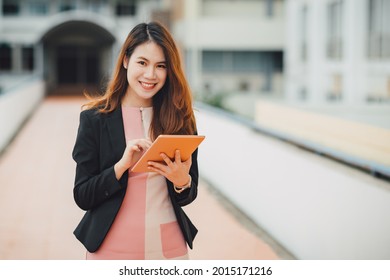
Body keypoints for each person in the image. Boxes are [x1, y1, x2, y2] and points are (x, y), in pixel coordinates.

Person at [72, 22, 199, 260]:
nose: (150, 75)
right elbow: (82, 195)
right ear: (126, 60)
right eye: (142, 62)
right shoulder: (94, 120)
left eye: (160, 66)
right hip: (110, 248)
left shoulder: (181, 119)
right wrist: (120, 167)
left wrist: (183, 181)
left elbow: (189, 194)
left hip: (168, 249)